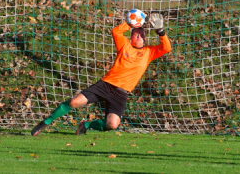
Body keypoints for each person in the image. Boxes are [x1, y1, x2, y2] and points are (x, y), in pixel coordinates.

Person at [31, 11, 171, 136]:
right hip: (105, 85)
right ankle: (45, 122)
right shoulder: (125, 45)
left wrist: (160, 31)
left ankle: (87, 125)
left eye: (141, 35)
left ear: (145, 39)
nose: (139, 37)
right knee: (74, 102)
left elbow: (167, 47)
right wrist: (130, 23)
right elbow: (116, 31)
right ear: (131, 37)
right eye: (136, 35)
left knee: (112, 124)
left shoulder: (149, 52)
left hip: (121, 94)